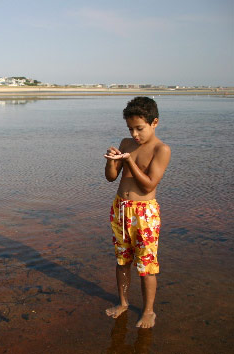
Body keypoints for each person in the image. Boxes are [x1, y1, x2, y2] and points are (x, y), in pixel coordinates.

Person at [104, 97, 171, 328]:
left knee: (146, 265)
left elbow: (149, 185)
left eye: (139, 128)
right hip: (120, 209)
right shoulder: (126, 143)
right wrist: (112, 161)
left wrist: (129, 161)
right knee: (122, 260)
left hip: (145, 214)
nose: (134, 134)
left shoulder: (161, 149)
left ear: (155, 122)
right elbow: (112, 177)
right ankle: (123, 303)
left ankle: (149, 311)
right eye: (130, 128)